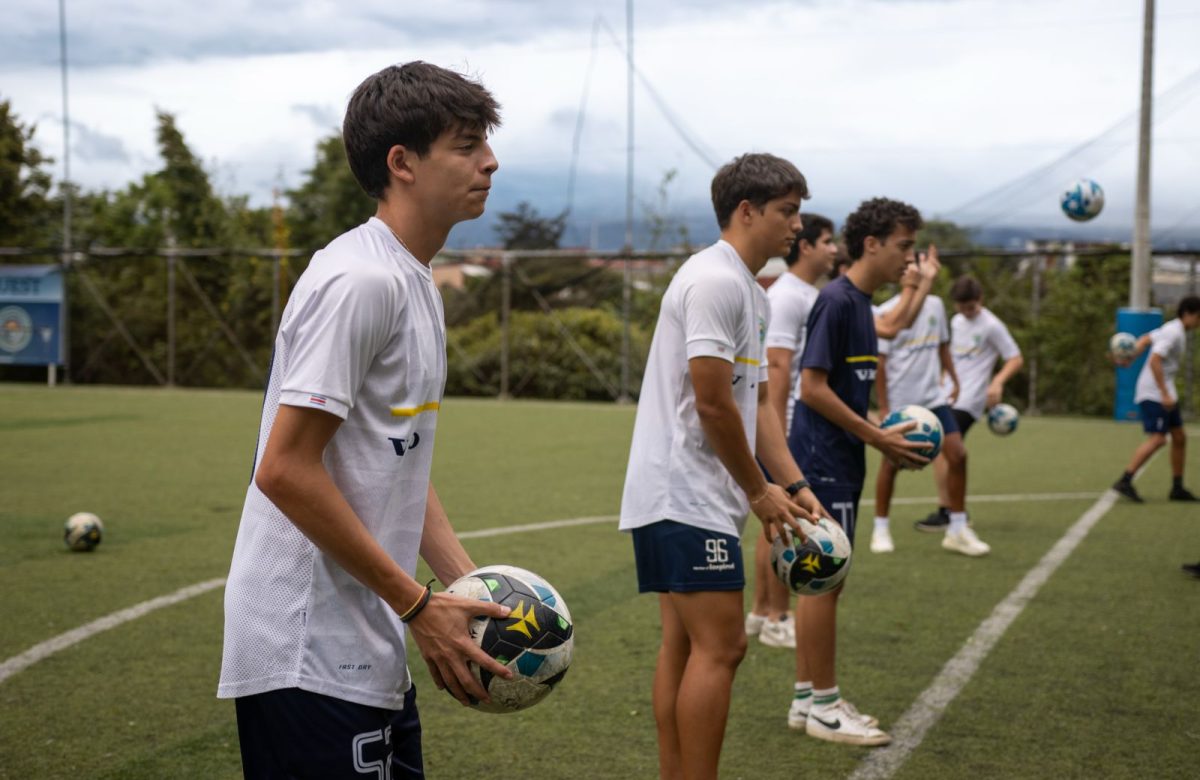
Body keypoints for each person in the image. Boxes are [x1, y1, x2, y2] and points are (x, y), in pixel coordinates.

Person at [217, 62, 513, 779]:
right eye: (467, 145)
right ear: (402, 163)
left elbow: (397, 453)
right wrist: (418, 605)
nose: (490, 161)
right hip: (305, 649)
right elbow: (284, 469)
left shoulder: (413, 280)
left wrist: (466, 587)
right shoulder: (361, 282)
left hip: (365, 635)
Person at [619, 153, 825, 780]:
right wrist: (759, 491)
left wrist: (793, 483)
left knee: (685, 647)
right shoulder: (713, 281)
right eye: (787, 212)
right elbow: (710, 401)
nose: (797, 226)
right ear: (746, 211)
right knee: (724, 646)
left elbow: (756, 400)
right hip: (684, 492)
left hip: (689, 496)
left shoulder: (749, 292)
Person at [786, 197, 930, 745]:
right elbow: (811, 387)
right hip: (822, 465)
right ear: (871, 244)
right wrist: (876, 436)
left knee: (822, 584)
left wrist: (880, 434)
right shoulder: (838, 302)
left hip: (841, 460)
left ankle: (807, 699)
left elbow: (845, 392)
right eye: (903, 247)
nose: (910, 261)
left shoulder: (862, 306)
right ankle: (825, 707)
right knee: (825, 584)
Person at [748, 213, 838, 650]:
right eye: (828, 241)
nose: (834, 249)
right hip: (784, 428)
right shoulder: (787, 296)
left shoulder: (806, 293)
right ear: (807, 247)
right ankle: (776, 614)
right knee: (781, 520)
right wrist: (781, 435)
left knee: (776, 521)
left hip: (784, 428)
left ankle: (763, 612)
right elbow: (779, 365)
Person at [869, 276, 991, 557]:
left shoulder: (936, 305)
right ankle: (881, 528)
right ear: (902, 277)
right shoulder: (887, 311)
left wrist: (954, 379)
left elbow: (942, 345)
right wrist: (885, 406)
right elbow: (881, 363)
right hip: (902, 404)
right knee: (890, 464)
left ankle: (958, 529)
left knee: (958, 455)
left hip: (934, 399)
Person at [915, 276, 1023, 532]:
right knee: (943, 451)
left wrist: (997, 383)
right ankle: (951, 510)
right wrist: (943, 378)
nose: (967, 312)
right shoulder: (956, 321)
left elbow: (1015, 358)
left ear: (980, 300)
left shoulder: (992, 325)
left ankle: (949, 511)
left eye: (971, 307)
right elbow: (951, 355)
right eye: (962, 308)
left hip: (971, 399)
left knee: (945, 449)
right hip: (946, 395)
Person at [1111, 295, 1200, 502]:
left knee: (1179, 437)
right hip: (1155, 394)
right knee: (1159, 438)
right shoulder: (1174, 333)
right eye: (1198, 317)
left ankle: (1177, 488)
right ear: (1187, 314)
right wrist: (1165, 394)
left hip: (1164, 392)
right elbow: (1154, 361)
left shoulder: (1172, 328)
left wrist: (1129, 358)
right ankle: (1125, 480)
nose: (1199, 322)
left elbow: (1144, 339)